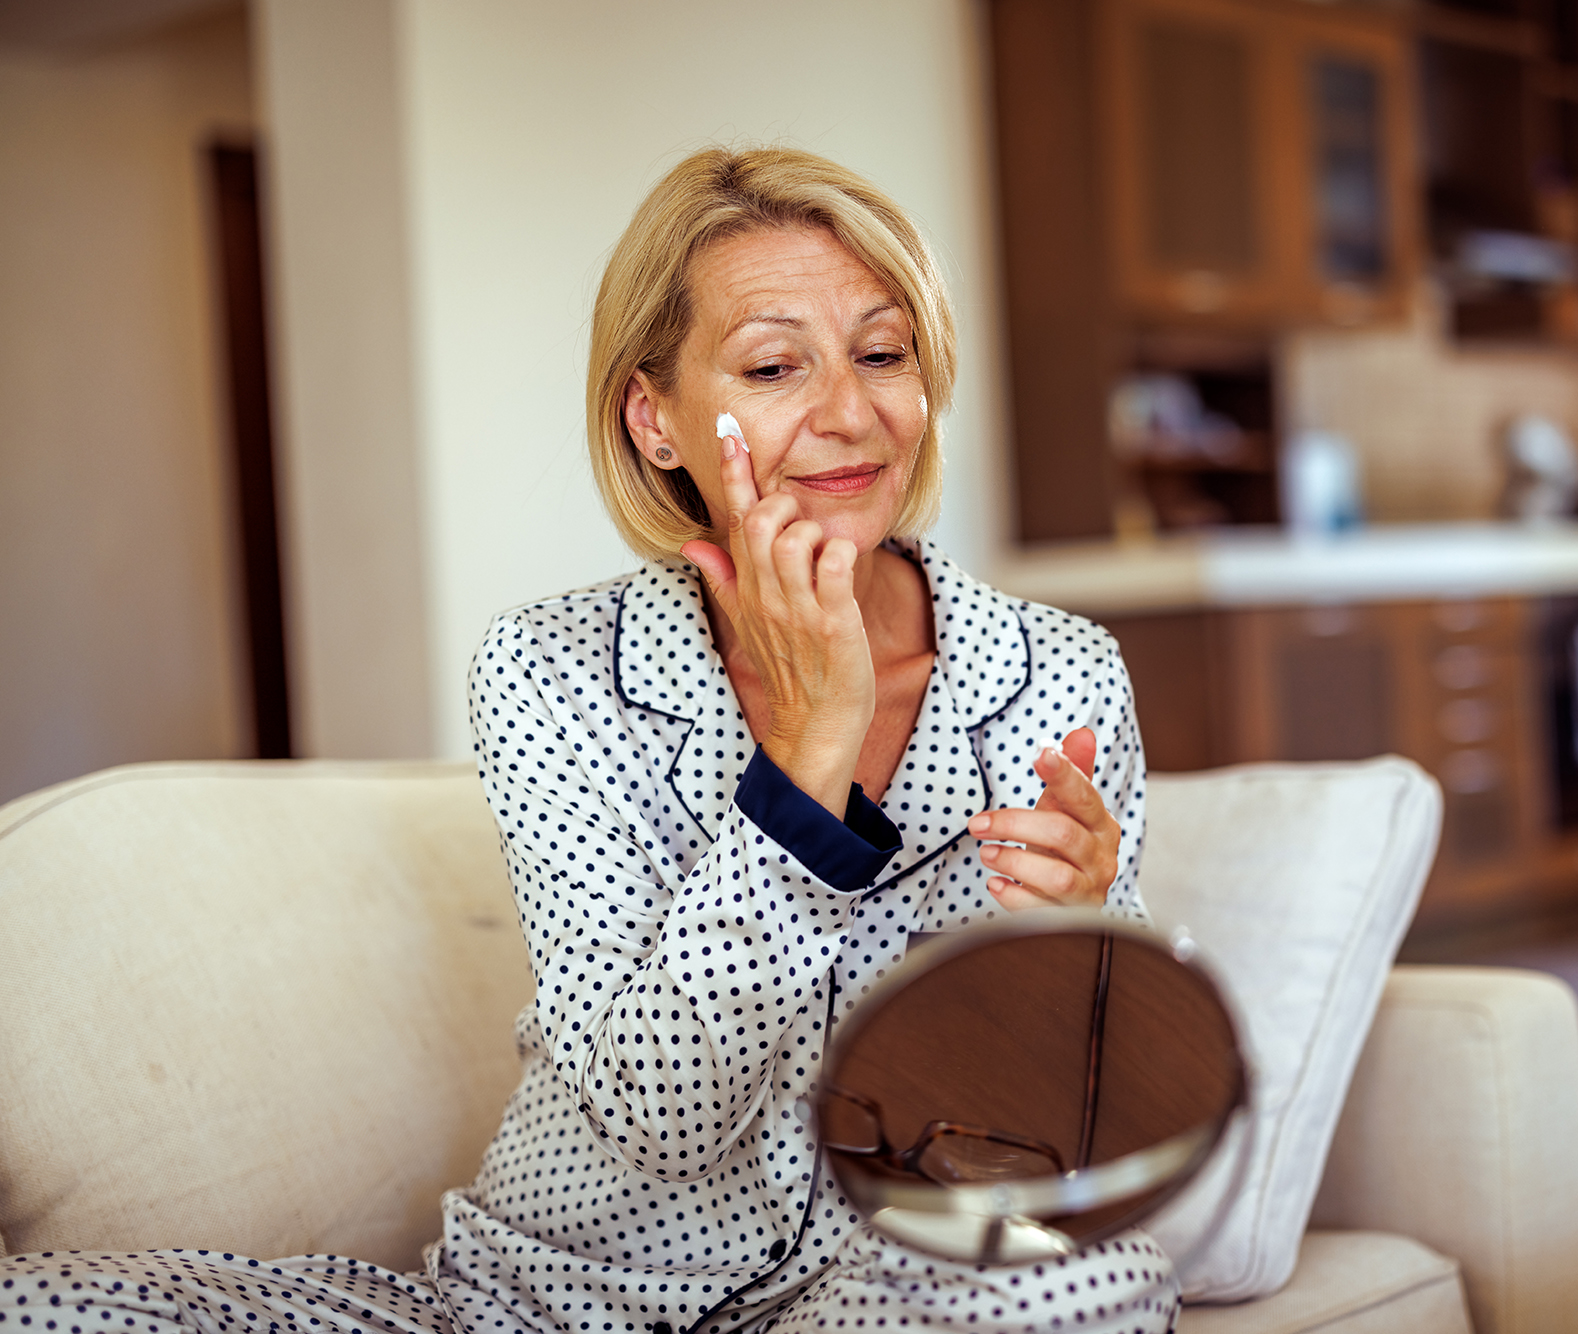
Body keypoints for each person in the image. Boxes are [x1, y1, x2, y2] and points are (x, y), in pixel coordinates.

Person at [0, 149, 1172, 1334]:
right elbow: (663, 1111)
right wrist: (809, 758)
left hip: (871, 1303)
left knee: (1093, 1284)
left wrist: (1084, 951)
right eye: (774, 365)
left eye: (883, 352)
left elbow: (1092, 1144)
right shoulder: (553, 673)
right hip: (543, 1308)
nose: (849, 411)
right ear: (654, 419)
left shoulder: (1055, 675)